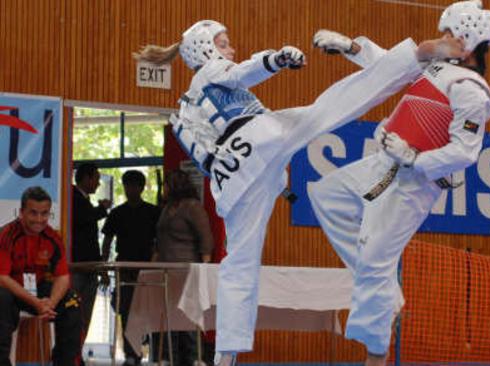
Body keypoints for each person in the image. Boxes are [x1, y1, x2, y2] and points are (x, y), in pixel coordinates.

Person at [132, 18, 444, 366]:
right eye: (223, 43)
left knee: (238, 264)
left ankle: (226, 353)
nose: (230, 49)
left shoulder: (188, 103)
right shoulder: (210, 72)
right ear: (205, 49)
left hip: (235, 179)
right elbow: (241, 73)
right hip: (259, 140)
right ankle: (407, 62)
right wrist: (275, 59)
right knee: (331, 106)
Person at [308, 2, 490, 365]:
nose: (441, 38)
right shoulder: (436, 67)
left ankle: (375, 355)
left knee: (376, 260)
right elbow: (389, 66)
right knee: (326, 195)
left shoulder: (472, 91)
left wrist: (415, 159)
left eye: (448, 34)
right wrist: (350, 46)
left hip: (414, 181)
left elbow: (465, 152)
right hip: (383, 161)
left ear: (466, 40)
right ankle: (385, 293)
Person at [0, 186, 82, 366]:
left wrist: (50, 303)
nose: (39, 219)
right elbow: (2, 277)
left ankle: (64, 362)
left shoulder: (52, 237)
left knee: (72, 301)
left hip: (38, 290)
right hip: (11, 291)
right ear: (22, 212)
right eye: (33, 213)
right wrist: (36, 303)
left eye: (44, 214)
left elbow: (62, 277)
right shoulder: (7, 235)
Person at [150, 169, 213, 366]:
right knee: (168, 318)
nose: (164, 189)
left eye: (166, 185)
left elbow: (206, 239)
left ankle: (194, 359)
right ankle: (170, 358)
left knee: (188, 318)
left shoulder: (193, 207)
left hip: (187, 271)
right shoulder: (167, 208)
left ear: (175, 186)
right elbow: (159, 242)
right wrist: (151, 267)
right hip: (165, 271)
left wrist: (203, 269)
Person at [101, 170, 161, 366]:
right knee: (125, 312)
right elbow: (107, 241)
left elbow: (160, 242)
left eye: (134, 185)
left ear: (142, 188)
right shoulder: (117, 213)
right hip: (124, 268)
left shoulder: (154, 212)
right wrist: (104, 269)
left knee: (148, 312)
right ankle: (131, 355)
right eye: (127, 185)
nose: (130, 189)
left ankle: (148, 350)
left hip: (148, 270)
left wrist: (153, 264)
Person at [71, 162, 111, 359]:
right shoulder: (72, 197)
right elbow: (82, 219)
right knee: (75, 315)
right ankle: (72, 354)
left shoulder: (83, 199)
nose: (97, 183)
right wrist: (101, 209)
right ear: (86, 178)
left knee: (85, 315)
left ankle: (77, 353)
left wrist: (100, 268)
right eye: (96, 178)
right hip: (78, 268)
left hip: (89, 268)